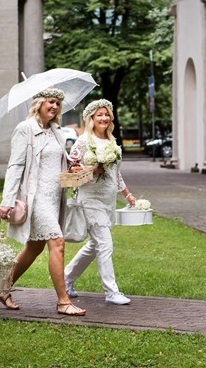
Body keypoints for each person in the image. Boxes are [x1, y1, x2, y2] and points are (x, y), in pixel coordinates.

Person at [0, 87, 86, 316]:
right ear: (39, 104)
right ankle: (63, 302)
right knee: (58, 242)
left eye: (57, 103)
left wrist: (70, 163)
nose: (54, 107)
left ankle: (1, 287)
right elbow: (15, 166)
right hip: (36, 200)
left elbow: (55, 162)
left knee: (34, 247)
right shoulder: (25, 129)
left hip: (55, 197)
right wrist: (7, 201)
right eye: (50, 102)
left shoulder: (55, 130)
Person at [64, 99, 136, 305]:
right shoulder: (83, 141)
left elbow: (116, 174)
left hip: (108, 199)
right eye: (99, 115)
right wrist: (94, 168)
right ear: (91, 118)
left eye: (107, 114)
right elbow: (72, 169)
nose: (103, 118)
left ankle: (66, 278)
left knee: (95, 244)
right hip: (90, 198)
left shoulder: (112, 141)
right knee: (104, 244)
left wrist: (128, 195)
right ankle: (111, 292)